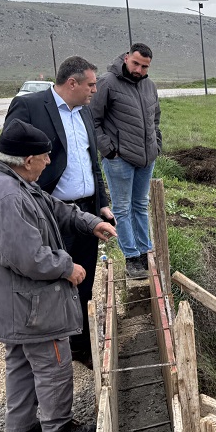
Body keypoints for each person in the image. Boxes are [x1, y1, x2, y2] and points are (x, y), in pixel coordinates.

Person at [0, 120, 117, 432]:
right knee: (54, 359)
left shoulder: (7, 180)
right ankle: (58, 429)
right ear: (27, 159)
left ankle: (21, 426)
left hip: (11, 301)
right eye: (45, 156)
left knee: (20, 359)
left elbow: (52, 207)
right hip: (27, 304)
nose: (49, 162)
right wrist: (67, 268)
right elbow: (26, 257)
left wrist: (90, 222)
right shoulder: (7, 196)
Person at [4, 55, 114, 366]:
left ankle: (80, 346)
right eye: (91, 84)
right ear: (72, 83)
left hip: (86, 212)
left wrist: (102, 202)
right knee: (55, 281)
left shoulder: (85, 111)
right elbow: (10, 159)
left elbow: (92, 162)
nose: (95, 90)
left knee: (84, 279)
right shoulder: (30, 106)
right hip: (50, 210)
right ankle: (52, 345)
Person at [91, 43, 162, 280]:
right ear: (126, 58)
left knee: (140, 205)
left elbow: (155, 119)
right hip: (119, 159)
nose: (139, 70)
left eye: (145, 67)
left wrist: (156, 145)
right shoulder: (107, 82)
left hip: (146, 158)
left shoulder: (149, 86)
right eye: (136, 64)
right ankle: (132, 258)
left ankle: (145, 252)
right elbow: (93, 120)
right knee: (122, 209)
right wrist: (109, 151)